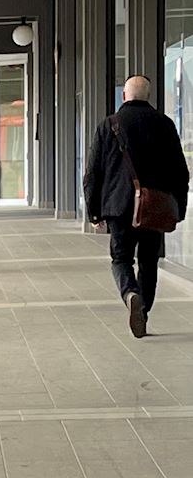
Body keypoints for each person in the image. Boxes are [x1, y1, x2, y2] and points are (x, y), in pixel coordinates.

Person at [84, 74, 190, 337]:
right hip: (155, 206)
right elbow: (180, 171)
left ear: (124, 96)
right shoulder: (164, 124)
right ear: (148, 96)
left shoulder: (109, 125)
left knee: (121, 259)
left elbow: (93, 172)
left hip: (118, 207)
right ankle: (143, 312)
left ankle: (130, 293)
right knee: (149, 262)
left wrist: (93, 210)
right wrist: (179, 207)